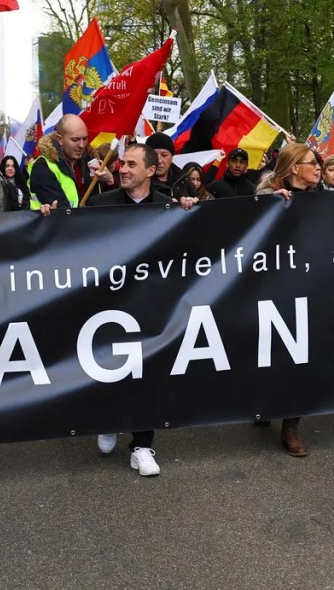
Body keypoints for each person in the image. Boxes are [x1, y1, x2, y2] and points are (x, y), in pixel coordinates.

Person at [84, 144, 198, 476]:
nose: (123, 169)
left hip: (150, 305)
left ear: (151, 170)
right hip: (110, 304)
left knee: (147, 372)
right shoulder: (100, 204)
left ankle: (142, 445)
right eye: (122, 163)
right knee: (109, 367)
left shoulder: (168, 206)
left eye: (132, 164)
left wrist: (189, 211)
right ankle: (109, 420)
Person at [254, 142, 323, 456]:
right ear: (295, 168)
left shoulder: (323, 198)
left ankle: (291, 427)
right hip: (272, 286)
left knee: (302, 354)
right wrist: (269, 206)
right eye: (312, 163)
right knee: (271, 351)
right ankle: (265, 399)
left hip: (308, 286)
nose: (318, 168)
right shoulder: (268, 196)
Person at [29, 114, 113, 209]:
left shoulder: (91, 162)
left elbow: (107, 205)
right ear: (60, 139)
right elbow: (63, 210)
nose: (81, 145)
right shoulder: (43, 167)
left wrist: (110, 182)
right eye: (75, 140)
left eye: (85, 139)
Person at [144, 132, 195, 200]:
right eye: (154, 155)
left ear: (172, 157)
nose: (159, 160)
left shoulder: (183, 180)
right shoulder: (139, 183)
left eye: (164, 155)